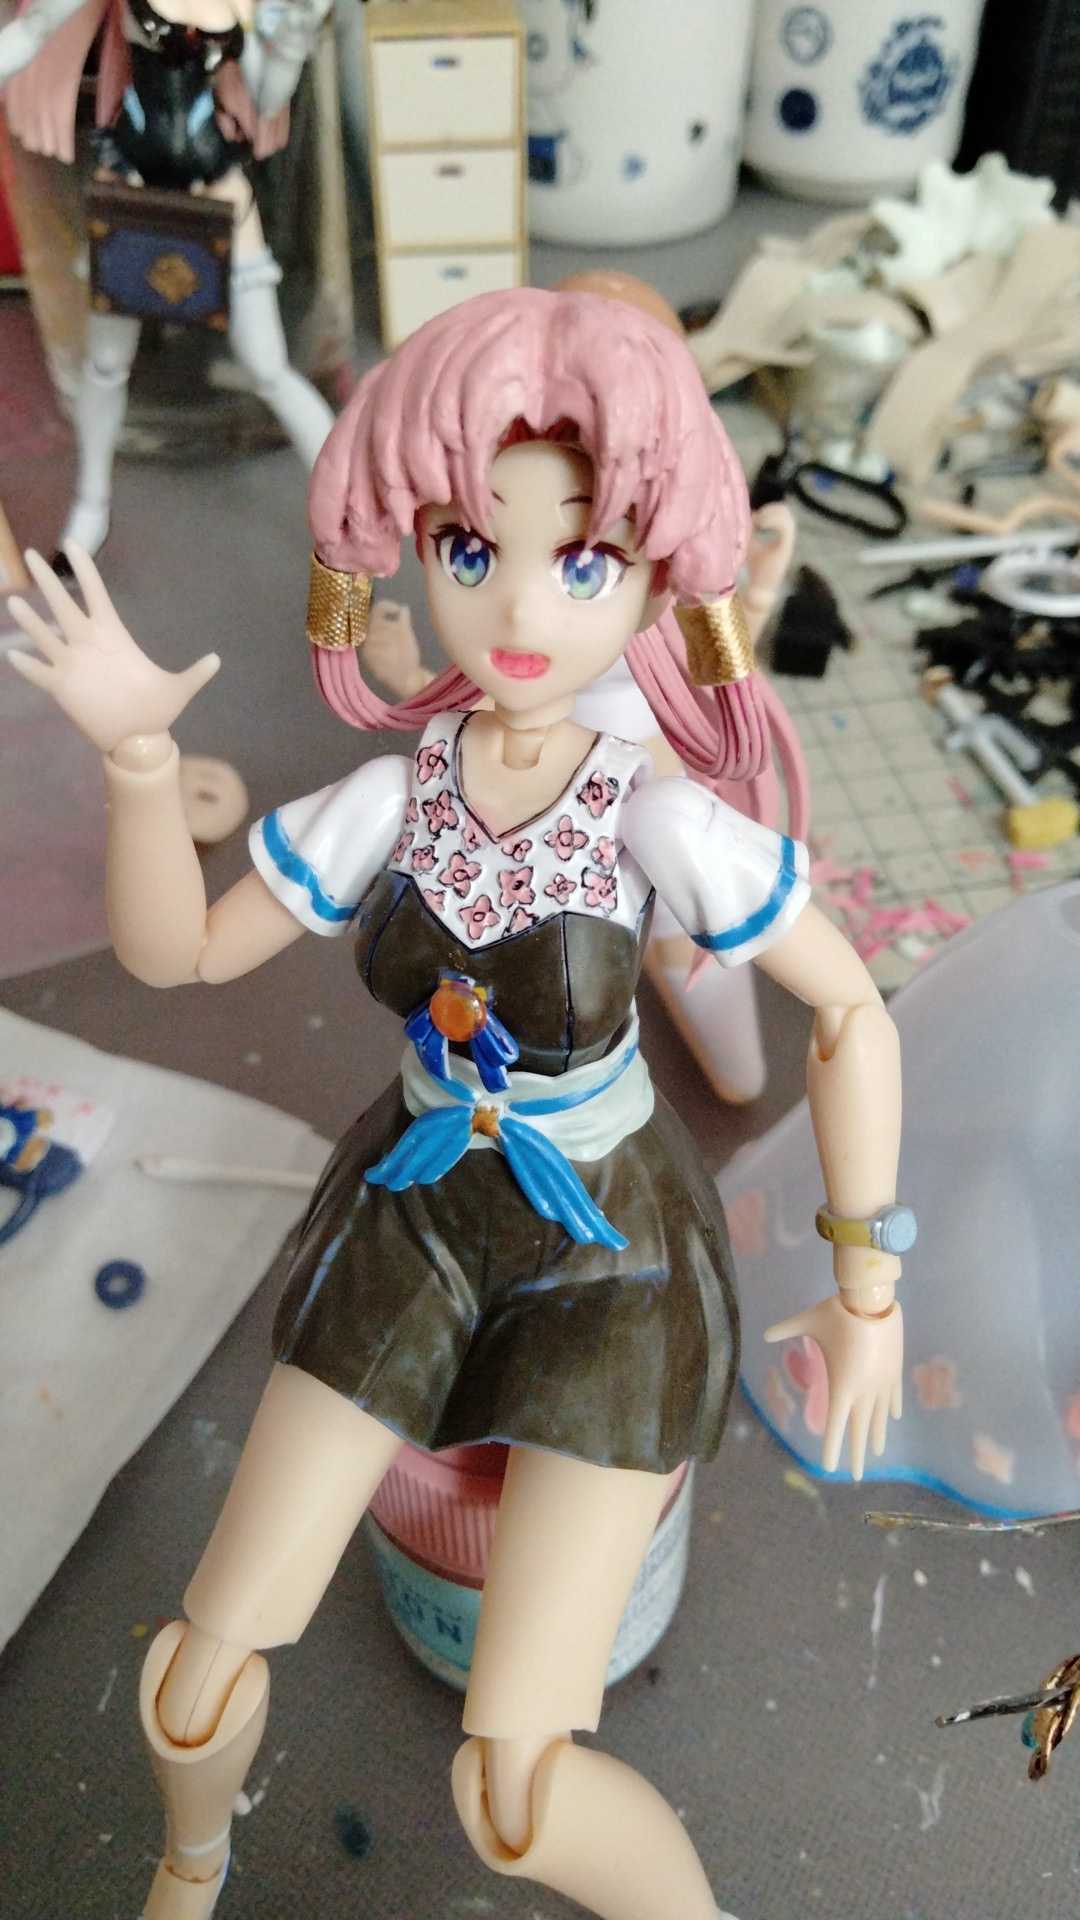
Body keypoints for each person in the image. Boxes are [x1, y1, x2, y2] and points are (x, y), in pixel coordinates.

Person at [6, 287, 905, 1920]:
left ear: (654, 575)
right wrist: (137, 762)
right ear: (414, 548)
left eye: (585, 561)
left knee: (516, 1787)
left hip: (603, 1247)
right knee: (195, 1674)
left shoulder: (655, 819)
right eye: (473, 548)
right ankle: (189, 1864)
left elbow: (847, 1007)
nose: (521, 606)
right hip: (413, 1213)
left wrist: (868, 1288)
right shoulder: (388, 799)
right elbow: (179, 953)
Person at [0, 0, 334, 564]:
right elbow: (32, 31)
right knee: (106, 365)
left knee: (269, 367)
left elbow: (264, 99)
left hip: (216, 193)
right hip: (132, 191)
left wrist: (293, 40)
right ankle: (90, 507)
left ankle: (345, 508)